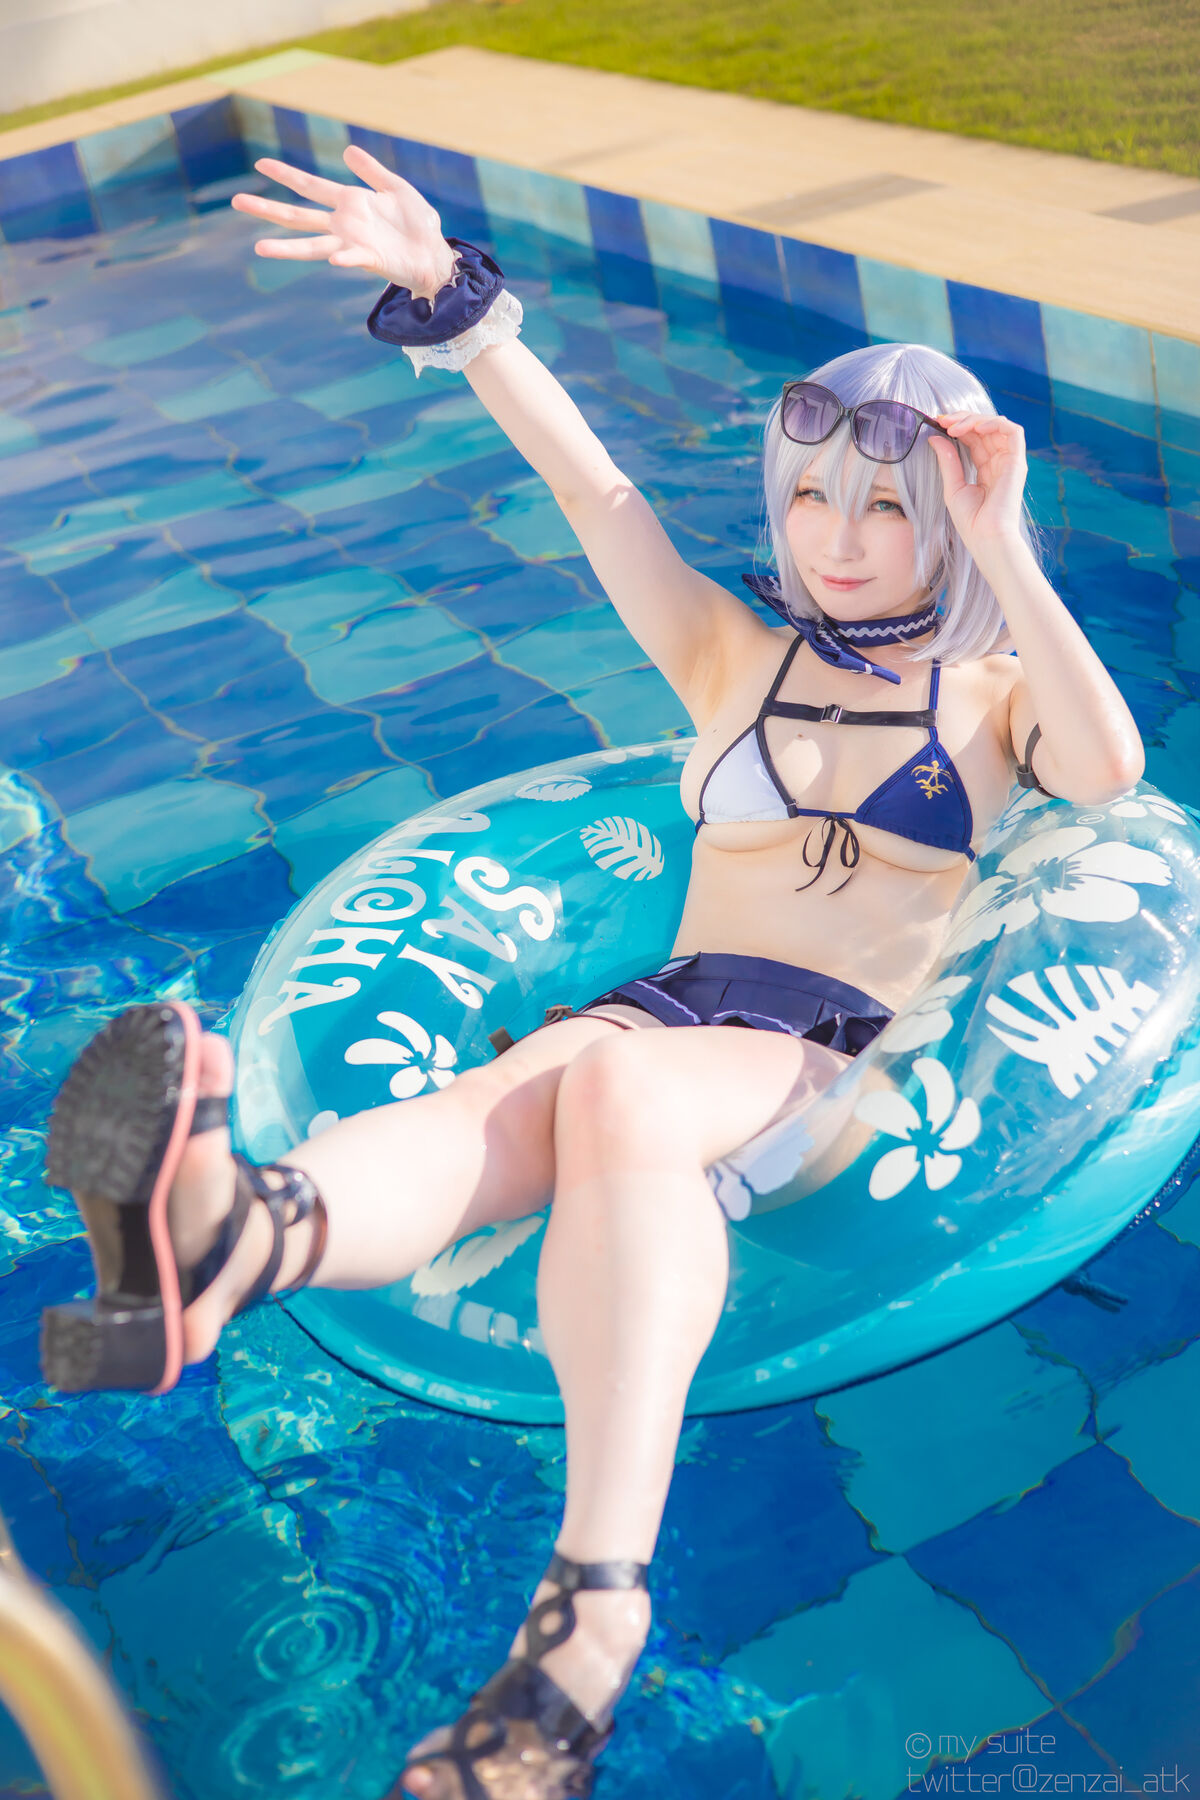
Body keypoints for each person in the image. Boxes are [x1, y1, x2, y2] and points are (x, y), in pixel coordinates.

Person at [40, 145, 1144, 1800]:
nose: (839, 538)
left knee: (617, 1086)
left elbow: (1111, 771)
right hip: (669, 1005)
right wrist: (453, 298)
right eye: (810, 498)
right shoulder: (731, 654)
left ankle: (592, 1615)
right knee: (511, 1094)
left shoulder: (993, 699)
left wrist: (1008, 541)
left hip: (828, 1051)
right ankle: (234, 1237)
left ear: (945, 521)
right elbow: (595, 490)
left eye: (886, 508)